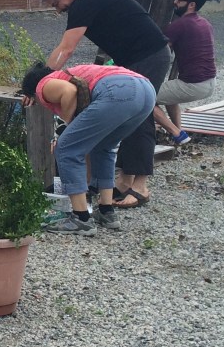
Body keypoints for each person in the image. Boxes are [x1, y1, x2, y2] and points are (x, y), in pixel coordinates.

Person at [43, 0, 173, 210]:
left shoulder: (85, 1)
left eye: (57, 3)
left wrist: (43, 77)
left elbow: (67, 48)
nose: (58, 10)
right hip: (138, 57)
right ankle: (121, 181)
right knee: (130, 114)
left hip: (149, 55)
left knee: (140, 114)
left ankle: (140, 185)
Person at [20, 62, 156, 235]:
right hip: (145, 91)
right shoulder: (70, 73)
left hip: (119, 91)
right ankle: (107, 212)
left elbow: (69, 91)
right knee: (103, 146)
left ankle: (81, 218)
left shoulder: (43, 85)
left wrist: (65, 131)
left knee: (66, 148)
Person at [154, 0, 216, 145]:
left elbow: (157, 53)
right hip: (210, 82)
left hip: (193, 85)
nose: (175, 2)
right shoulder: (205, 23)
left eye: (180, 0)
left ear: (191, 4)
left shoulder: (178, 25)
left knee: (144, 97)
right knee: (171, 92)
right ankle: (178, 135)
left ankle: (176, 133)